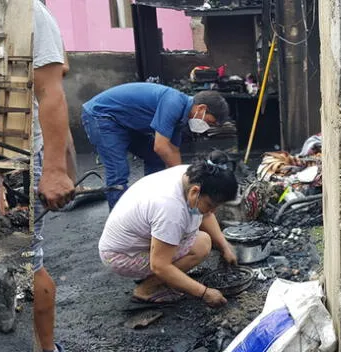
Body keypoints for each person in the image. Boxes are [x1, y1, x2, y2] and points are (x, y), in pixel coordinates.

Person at [98, 151, 238, 306]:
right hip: (121, 256)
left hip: (134, 242)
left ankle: (158, 279)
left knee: (200, 238)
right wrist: (204, 292)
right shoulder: (170, 209)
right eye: (211, 206)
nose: (213, 212)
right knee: (201, 245)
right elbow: (160, 265)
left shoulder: (196, 175)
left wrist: (224, 245)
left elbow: (205, 214)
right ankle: (146, 289)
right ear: (195, 192)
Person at [81, 83, 230, 210]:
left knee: (155, 159)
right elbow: (161, 146)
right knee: (118, 171)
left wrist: (183, 181)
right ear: (202, 108)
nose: (207, 127)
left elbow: (174, 150)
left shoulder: (182, 117)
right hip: (102, 116)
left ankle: (151, 205)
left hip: (125, 123)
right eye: (210, 123)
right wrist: (184, 181)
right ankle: (120, 222)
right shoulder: (174, 102)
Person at [32, 1, 76, 351]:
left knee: (28, 261)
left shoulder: (30, 12)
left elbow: (50, 90)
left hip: (17, 158)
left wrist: (55, 170)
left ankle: (46, 349)